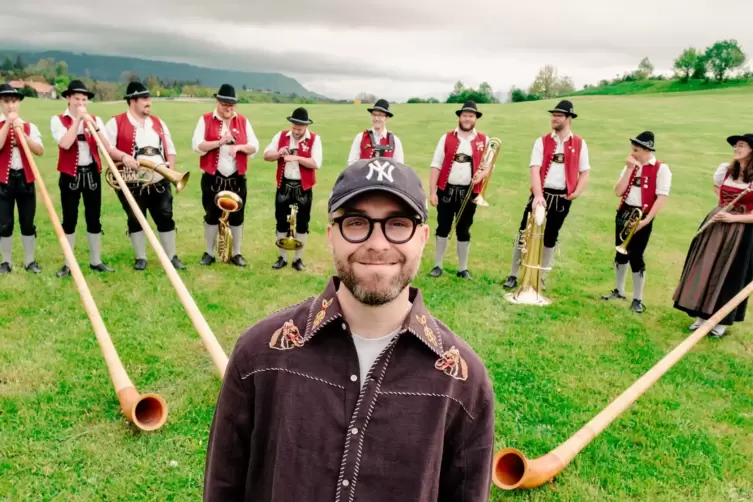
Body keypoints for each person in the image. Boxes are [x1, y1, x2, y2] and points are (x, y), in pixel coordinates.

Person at [203, 157, 495, 502]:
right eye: (356, 223)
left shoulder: (462, 381)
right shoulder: (259, 354)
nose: (377, 243)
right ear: (331, 235)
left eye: (398, 224)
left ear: (423, 238)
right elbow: (222, 487)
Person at [502, 99, 590, 290]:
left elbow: (585, 171)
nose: (554, 118)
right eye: (553, 115)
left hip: (562, 198)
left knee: (550, 237)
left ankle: (540, 277)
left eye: (559, 116)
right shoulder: (542, 141)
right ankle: (513, 274)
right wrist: (538, 195)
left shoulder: (579, 143)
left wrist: (576, 192)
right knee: (524, 233)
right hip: (541, 194)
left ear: (569, 119)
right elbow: (535, 169)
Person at [673, 133, 753, 338]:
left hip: (741, 231)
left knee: (729, 275)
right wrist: (721, 209)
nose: (737, 148)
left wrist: (734, 218)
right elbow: (718, 188)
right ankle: (701, 316)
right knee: (706, 268)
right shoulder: (726, 170)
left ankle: (721, 323)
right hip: (717, 225)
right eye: (736, 145)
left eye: (741, 145)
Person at [104, 81, 186, 271]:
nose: (149, 102)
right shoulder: (115, 122)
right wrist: (124, 157)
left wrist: (171, 172)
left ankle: (171, 256)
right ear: (132, 100)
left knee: (166, 217)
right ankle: (141, 258)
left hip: (159, 180)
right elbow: (107, 148)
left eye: (149, 98)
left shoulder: (158, 122)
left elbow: (170, 150)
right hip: (132, 181)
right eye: (144, 98)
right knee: (135, 218)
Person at [50, 80, 115, 277]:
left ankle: (95, 261)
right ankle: (69, 264)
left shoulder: (95, 119)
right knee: (69, 219)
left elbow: (107, 147)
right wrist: (78, 120)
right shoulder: (58, 120)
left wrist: (93, 126)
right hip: (70, 175)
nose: (81, 103)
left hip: (92, 174)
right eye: (77, 99)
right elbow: (65, 144)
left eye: (84, 100)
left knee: (94, 218)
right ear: (68, 98)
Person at [601, 131, 671, 313]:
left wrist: (646, 220)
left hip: (643, 215)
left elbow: (662, 197)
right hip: (625, 211)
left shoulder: (661, 169)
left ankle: (638, 298)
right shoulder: (630, 166)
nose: (632, 153)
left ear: (647, 149)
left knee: (636, 255)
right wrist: (630, 169)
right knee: (620, 251)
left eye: (636, 150)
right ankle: (619, 290)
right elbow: (618, 191)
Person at [192, 84, 259, 267]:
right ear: (217, 102)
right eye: (225, 104)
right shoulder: (205, 119)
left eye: (232, 105)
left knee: (237, 216)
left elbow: (254, 147)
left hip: (236, 178)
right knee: (211, 215)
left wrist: (239, 147)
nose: (229, 108)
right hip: (213, 178)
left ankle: (236, 253)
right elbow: (197, 146)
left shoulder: (243, 121)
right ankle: (209, 252)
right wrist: (219, 142)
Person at [428, 100, 491, 279]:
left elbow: (489, 165)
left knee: (464, 229)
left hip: (469, 193)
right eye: (465, 115)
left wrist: (482, 175)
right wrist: (433, 191)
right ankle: (437, 265)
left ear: (475, 119)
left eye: (471, 116)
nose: (467, 118)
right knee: (443, 227)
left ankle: (462, 268)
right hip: (446, 191)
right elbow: (436, 165)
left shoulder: (484, 140)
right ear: (460, 117)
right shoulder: (446, 137)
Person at [262, 107, 322, 271]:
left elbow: (316, 163)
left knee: (302, 222)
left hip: (304, 186)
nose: (296, 131)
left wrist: (296, 157)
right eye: (294, 128)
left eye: (299, 129)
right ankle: (282, 257)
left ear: (306, 127)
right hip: (284, 184)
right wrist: (278, 153)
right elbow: (266, 155)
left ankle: (298, 258)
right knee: (281, 221)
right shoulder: (281, 136)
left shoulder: (315, 139)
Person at [0, 83, 44, 275]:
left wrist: (23, 134)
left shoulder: (29, 126)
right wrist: (8, 124)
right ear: (1, 103)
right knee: (4, 223)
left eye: (14, 101)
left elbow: (40, 150)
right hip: (3, 180)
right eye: (7, 101)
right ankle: (6, 262)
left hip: (25, 179)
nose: (11, 106)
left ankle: (29, 261)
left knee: (27, 222)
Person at [346, 98, 404, 164]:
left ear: (387, 119)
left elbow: (399, 167)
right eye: (374, 114)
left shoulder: (395, 141)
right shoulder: (360, 137)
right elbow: (352, 163)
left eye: (380, 115)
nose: (376, 118)